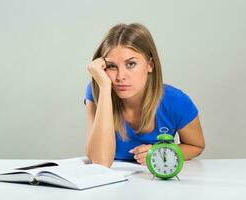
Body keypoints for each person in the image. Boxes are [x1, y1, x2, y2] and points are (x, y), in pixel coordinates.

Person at [84, 23, 205, 168]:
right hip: (113, 184)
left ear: (150, 65)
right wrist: (104, 88)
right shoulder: (97, 92)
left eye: (131, 64)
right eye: (111, 66)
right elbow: (100, 163)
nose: (120, 76)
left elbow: (196, 146)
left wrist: (161, 152)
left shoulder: (176, 101)